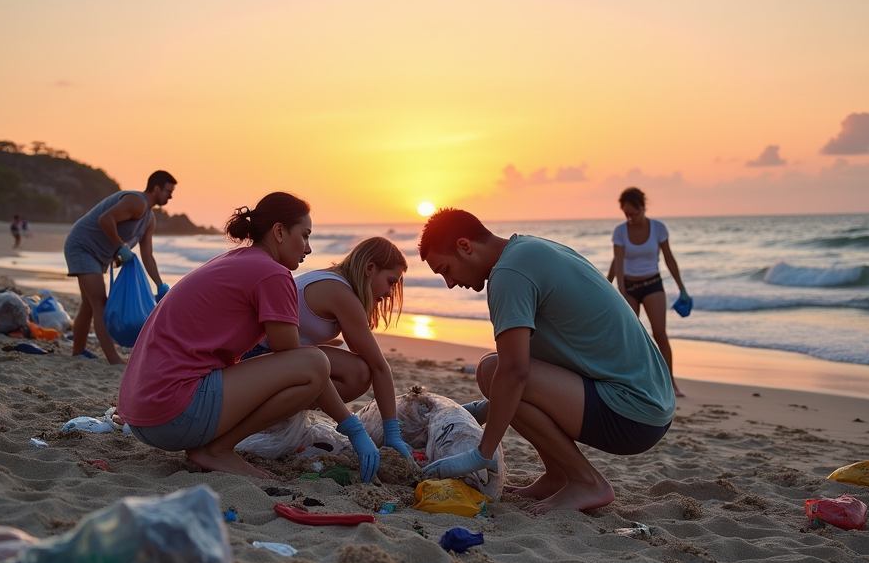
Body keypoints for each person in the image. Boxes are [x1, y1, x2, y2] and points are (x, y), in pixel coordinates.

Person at [418, 208, 675, 514]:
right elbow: (545, 359)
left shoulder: (508, 274)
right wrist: (480, 410)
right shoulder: (529, 249)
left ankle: (586, 481)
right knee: (496, 371)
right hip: (651, 402)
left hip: (632, 412)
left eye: (446, 269)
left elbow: (515, 371)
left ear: (465, 246)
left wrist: (481, 453)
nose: (449, 283)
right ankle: (558, 475)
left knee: (493, 369)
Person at [117, 193, 332, 479]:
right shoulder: (272, 274)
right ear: (279, 231)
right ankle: (219, 449)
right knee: (315, 364)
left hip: (143, 414)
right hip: (173, 415)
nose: (308, 248)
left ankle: (214, 446)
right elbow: (289, 351)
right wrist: (350, 425)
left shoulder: (236, 260)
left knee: (313, 360)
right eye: (304, 236)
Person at [291, 236, 414, 481]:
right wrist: (392, 435)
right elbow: (379, 366)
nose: (390, 293)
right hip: (260, 361)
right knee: (359, 373)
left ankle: (285, 409)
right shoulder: (340, 293)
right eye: (390, 282)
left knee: (357, 369)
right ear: (370, 268)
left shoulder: (332, 280)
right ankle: (283, 409)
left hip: (273, 359)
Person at [63, 170, 175, 364]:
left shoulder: (149, 218)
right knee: (100, 303)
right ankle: (113, 359)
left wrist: (160, 284)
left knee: (89, 305)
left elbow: (147, 256)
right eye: (168, 191)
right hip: (82, 247)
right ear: (156, 188)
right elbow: (105, 219)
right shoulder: (137, 202)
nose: (171, 196)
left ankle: (78, 351)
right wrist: (120, 245)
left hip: (99, 255)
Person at [605, 186, 689, 397]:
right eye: (626, 213)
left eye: (633, 213)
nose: (629, 217)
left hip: (652, 284)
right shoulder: (620, 231)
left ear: (643, 208)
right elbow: (619, 261)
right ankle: (629, 382)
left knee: (660, 333)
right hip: (630, 288)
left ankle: (670, 383)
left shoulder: (658, 228)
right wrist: (618, 290)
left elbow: (669, 258)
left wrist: (682, 288)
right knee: (629, 336)